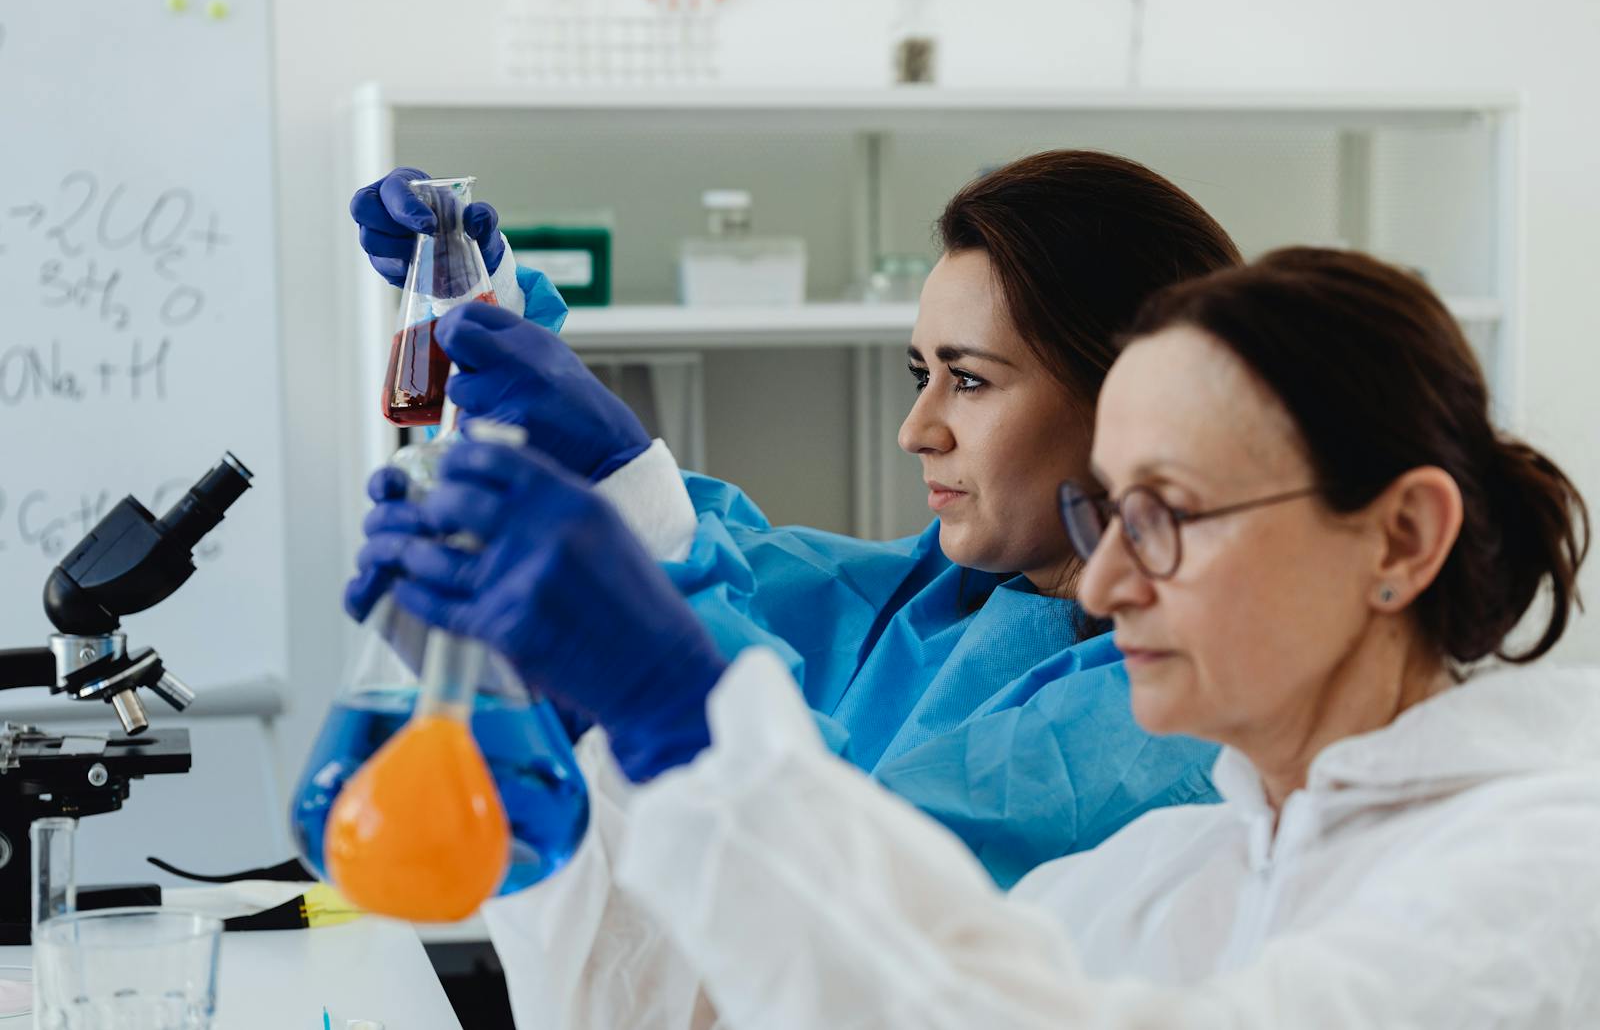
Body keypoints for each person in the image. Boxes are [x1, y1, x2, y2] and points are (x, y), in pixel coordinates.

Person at [383, 248, 1596, 1027]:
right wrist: (557, 742)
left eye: (1166, 514)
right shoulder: (1176, 863)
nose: (1109, 577)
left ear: (1397, 538)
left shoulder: (1543, 870)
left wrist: (690, 733)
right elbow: (735, 1008)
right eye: (1105, 513)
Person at [349, 152, 1238, 885]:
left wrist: (629, 501)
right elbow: (751, 570)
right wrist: (484, 308)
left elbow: (844, 876)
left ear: (1132, 401)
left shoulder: (1166, 712)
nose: (915, 430)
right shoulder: (951, 595)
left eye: (968, 380)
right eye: (917, 373)